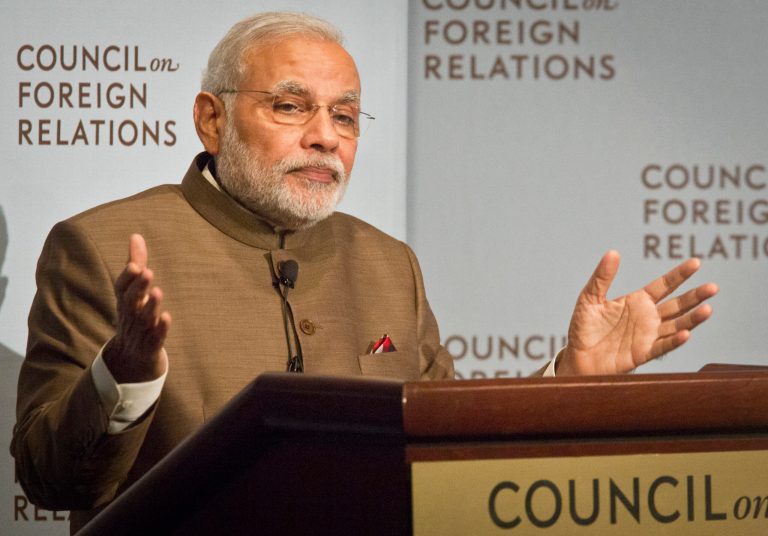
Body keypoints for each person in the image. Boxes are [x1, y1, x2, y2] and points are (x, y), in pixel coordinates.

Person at [11, 11, 717, 533]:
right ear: (211, 120)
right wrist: (125, 372)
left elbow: (447, 445)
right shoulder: (98, 246)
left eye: (345, 116)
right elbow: (48, 478)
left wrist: (569, 380)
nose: (325, 134)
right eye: (291, 106)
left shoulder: (388, 264)